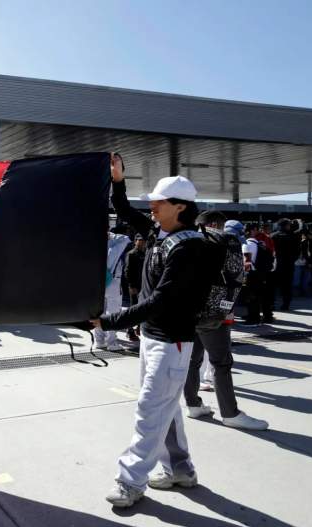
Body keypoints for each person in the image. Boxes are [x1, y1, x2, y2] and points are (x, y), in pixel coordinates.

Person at [93, 155, 214, 508]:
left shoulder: (191, 247)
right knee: (166, 409)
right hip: (153, 337)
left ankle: (130, 481)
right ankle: (181, 470)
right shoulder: (160, 234)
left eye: (158, 203)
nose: (151, 207)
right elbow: (123, 208)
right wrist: (118, 180)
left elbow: (162, 300)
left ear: (179, 207)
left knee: (150, 411)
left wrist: (109, 321)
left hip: (172, 342)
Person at [183, 211, 268, 431]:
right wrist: (227, 307)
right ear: (214, 224)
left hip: (187, 311)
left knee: (192, 360)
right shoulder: (225, 240)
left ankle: (193, 404)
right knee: (221, 362)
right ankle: (230, 413)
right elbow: (236, 276)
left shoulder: (184, 238)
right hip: (213, 312)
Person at [94, 231, 131, 351]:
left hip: (98, 283)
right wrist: (111, 235)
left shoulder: (96, 244)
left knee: (99, 312)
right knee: (113, 313)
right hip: (113, 283)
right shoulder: (114, 247)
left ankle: (99, 340)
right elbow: (126, 238)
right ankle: (112, 342)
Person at [242, 223, 274, 325]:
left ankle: (253, 320)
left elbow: (247, 262)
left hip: (252, 274)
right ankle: (261, 317)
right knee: (260, 296)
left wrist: (244, 276)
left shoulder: (247, 244)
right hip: (262, 273)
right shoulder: (260, 243)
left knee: (251, 298)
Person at [272, 218, 299, 310]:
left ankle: (271, 304)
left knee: (273, 286)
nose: (289, 226)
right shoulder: (293, 236)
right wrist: (292, 260)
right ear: (286, 225)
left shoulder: (273, 236)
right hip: (289, 265)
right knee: (287, 286)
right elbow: (297, 252)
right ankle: (285, 304)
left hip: (276, 264)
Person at [124, 234, 146, 342]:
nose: (142, 242)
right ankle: (130, 331)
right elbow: (127, 271)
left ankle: (139, 328)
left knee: (143, 308)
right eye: (139, 240)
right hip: (135, 286)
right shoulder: (131, 254)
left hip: (144, 286)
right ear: (135, 241)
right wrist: (131, 285)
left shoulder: (146, 253)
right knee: (133, 309)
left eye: (143, 240)